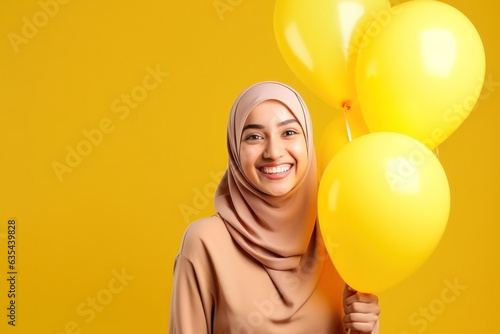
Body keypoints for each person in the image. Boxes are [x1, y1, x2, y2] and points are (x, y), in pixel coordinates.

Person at [169, 81, 380, 333]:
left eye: (289, 133)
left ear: (308, 140)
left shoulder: (338, 233)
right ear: (235, 149)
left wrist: (365, 331)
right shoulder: (205, 243)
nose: (274, 152)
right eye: (254, 137)